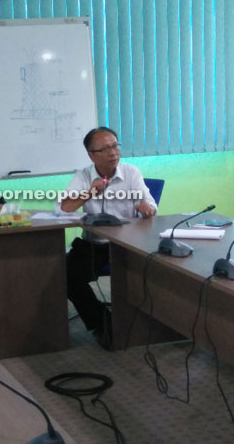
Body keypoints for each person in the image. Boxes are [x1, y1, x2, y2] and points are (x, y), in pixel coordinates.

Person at [61, 127, 157, 348]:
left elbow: (150, 205)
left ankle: (150, 326)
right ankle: (103, 324)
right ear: (91, 155)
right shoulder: (83, 175)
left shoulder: (131, 172)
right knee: (67, 277)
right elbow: (65, 207)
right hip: (93, 244)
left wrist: (147, 209)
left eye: (115, 145)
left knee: (160, 272)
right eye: (105, 149)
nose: (112, 152)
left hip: (129, 244)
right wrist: (89, 192)